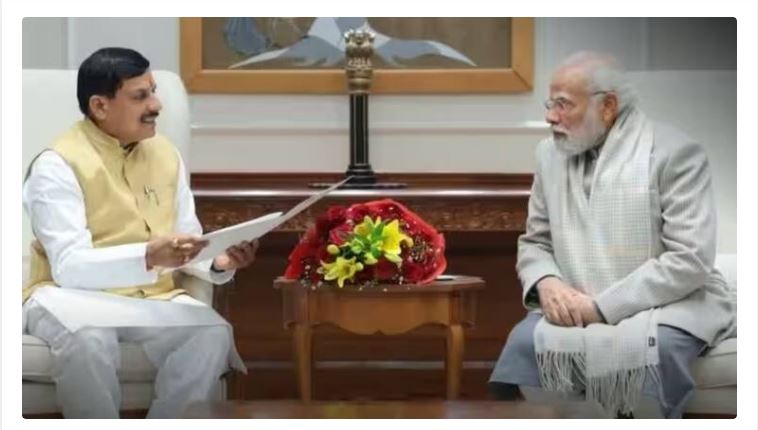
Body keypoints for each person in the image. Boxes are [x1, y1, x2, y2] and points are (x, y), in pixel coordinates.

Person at [488, 52, 736, 418]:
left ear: (607, 107)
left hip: (671, 303)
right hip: (576, 300)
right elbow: (536, 242)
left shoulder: (675, 153)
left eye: (563, 104)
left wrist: (600, 308)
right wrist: (547, 282)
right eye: (549, 104)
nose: (550, 117)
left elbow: (690, 259)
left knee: (657, 353)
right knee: (524, 344)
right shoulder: (548, 155)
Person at [22, 47, 259, 418]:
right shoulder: (56, 165)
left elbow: (187, 237)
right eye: (140, 96)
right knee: (88, 337)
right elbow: (68, 267)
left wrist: (219, 261)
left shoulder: (165, 155)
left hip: (152, 298)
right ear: (100, 106)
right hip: (68, 297)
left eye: (154, 92)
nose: (156, 105)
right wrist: (147, 256)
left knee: (210, 333)